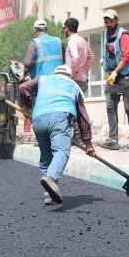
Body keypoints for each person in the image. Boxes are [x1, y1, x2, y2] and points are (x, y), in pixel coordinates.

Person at [19, 64, 95, 205]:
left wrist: (27, 105)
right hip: (59, 117)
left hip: (39, 119)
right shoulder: (73, 85)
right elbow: (82, 117)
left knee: (46, 156)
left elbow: (23, 87)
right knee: (61, 151)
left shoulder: (43, 79)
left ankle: (49, 195)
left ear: (55, 73)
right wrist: (88, 143)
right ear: (69, 76)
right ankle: (51, 178)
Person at [99, 9, 129, 150]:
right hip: (112, 76)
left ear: (117, 20)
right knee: (110, 106)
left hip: (125, 76)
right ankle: (113, 139)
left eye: (111, 21)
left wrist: (116, 72)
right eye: (106, 21)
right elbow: (110, 53)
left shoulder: (124, 35)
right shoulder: (107, 35)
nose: (108, 24)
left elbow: (127, 57)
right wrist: (104, 61)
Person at [63, 17, 95, 93]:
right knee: (79, 104)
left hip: (74, 80)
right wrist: (85, 70)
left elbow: (75, 57)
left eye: (64, 28)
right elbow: (91, 57)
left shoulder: (72, 41)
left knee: (72, 104)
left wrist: (70, 74)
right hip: (83, 79)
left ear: (67, 28)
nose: (64, 30)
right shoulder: (82, 40)